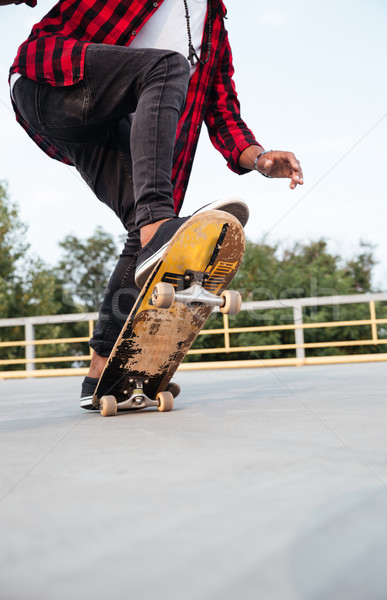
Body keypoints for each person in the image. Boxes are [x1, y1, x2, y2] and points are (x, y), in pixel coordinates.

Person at [9, 0, 303, 407]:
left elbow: (222, 109)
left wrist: (259, 158)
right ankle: (155, 226)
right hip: (52, 83)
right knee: (166, 67)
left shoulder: (213, 27)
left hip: (111, 128)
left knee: (144, 234)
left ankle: (101, 373)